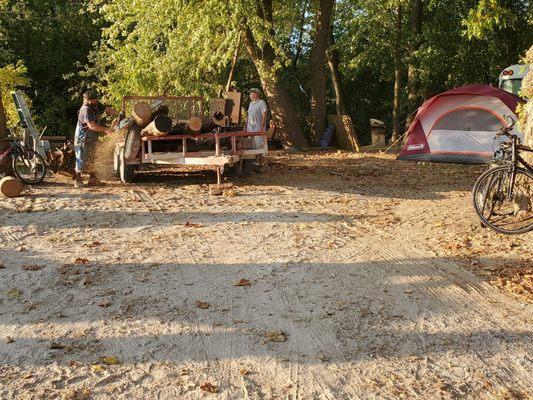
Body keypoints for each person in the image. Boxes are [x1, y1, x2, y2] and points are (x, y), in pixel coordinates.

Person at [74, 90, 117, 187]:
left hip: (91, 136)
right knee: (81, 157)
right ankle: (78, 180)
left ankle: (92, 179)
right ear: (88, 100)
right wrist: (106, 130)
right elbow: (92, 126)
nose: (97, 101)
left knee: (92, 157)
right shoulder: (86, 110)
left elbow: (107, 109)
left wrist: (118, 114)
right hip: (82, 137)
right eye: (94, 100)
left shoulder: (94, 104)